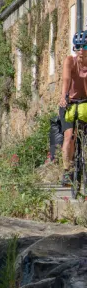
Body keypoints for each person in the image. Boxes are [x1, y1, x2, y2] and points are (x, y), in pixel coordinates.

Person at [60, 31, 87, 185]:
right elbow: (66, 80)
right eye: (78, 47)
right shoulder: (70, 61)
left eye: (85, 46)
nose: (81, 50)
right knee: (69, 136)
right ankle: (67, 171)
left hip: (86, 103)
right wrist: (64, 97)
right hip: (69, 102)